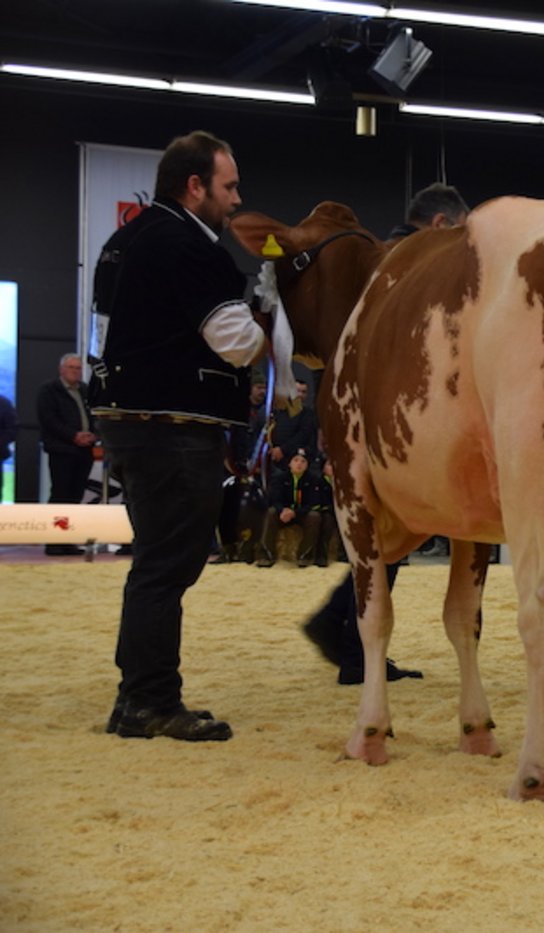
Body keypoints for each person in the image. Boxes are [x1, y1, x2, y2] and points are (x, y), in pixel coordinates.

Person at [90, 130, 265, 742]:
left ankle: (136, 694)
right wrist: (269, 314)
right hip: (171, 425)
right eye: (229, 186)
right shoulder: (189, 244)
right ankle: (149, 701)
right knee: (169, 564)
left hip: (128, 419)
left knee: (155, 563)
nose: (236, 200)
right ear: (195, 186)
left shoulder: (124, 239)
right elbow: (236, 343)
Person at [300, 183, 466, 682]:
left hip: (360, 413)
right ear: (440, 225)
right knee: (386, 534)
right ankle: (343, 634)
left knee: (385, 534)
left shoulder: (373, 257)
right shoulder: (405, 262)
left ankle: (343, 633)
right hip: (388, 419)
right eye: (459, 229)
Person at [37, 353, 99, 555]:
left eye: (78, 368)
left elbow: (95, 415)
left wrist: (93, 434)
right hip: (62, 450)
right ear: (61, 369)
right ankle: (54, 542)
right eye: (71, 367)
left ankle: (69, 541)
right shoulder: (49, 390)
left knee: (75, 496)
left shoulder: (85, 391)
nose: (75, 371)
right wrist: (73, 435)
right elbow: (49, 419)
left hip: (84, 451)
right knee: (60, 494)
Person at [255, 447, 332, 567]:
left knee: (315, 516)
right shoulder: (280, 478)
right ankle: (266, 555)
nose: (299, 464)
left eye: (303, 461)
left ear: (307, 465)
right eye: (296, 460)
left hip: (301, 514)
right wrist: (283, 510)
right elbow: (274, 499)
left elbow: (313, 503)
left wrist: (295, 512)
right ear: (290, 463)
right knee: (271, 513)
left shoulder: (313, 480)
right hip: (283, 513)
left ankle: (304, 556)